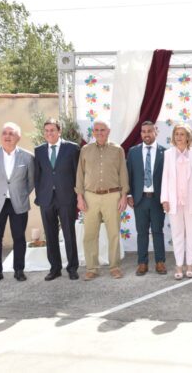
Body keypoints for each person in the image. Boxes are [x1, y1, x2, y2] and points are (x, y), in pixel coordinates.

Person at [0, 122, 35, 284]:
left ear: (18, 137)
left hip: (18, 202)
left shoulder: (28, 157)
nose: (7, 136)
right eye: (4, 133)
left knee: (19, 237)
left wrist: (21, 194)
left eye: (11, 133)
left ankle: (19, 270)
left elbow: (31, 181)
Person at [75, 120, 129, 280]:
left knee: (113, 233)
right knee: (90, 234)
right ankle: (92, 268)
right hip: (90, 196)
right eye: (96, 130)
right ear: (93, 132)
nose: (99, 132)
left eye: (102, 130)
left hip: (112, 196)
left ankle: (115, 267)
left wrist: (124, 195)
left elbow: (123, 173)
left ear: (108, 131)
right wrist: (80, 196)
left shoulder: (117, 150)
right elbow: (80, 174)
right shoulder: (85, 150)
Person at [34, 118, 81, 281]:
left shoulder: (72, 148)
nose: (49, 133)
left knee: (69, 234)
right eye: (46, 131)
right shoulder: (39, 150)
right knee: (50, 234)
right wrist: (39, 196)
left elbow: (78, 174)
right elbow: (37, 176)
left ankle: (72, 268)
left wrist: (78, 196)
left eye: (52, 130)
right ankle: (55, 268)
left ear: (59, 131)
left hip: (66, 197)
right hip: (46, 199)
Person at [160, 123, 192, 280]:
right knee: (177, 234)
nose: (179, 137)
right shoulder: (168, 154)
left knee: (191, 233)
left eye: (182, 134)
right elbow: (165, 177)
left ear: (188, 137)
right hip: (174, 201)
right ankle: (179, 264)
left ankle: (190, 264)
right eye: (176, 134)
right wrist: (164, 199)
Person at [126, 121, 168, 276]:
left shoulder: (165, 152)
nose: (146, 134)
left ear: (155, 131)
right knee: (142, 232)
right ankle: (142, 263)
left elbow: (168, 178)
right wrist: (129, 194)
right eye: (143, 131)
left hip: (157, 199)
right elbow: (129, 174)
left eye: (149, 131)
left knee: (157, 231)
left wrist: (166, 198)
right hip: (140, 199)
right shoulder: (133, 152)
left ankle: (160, 262)